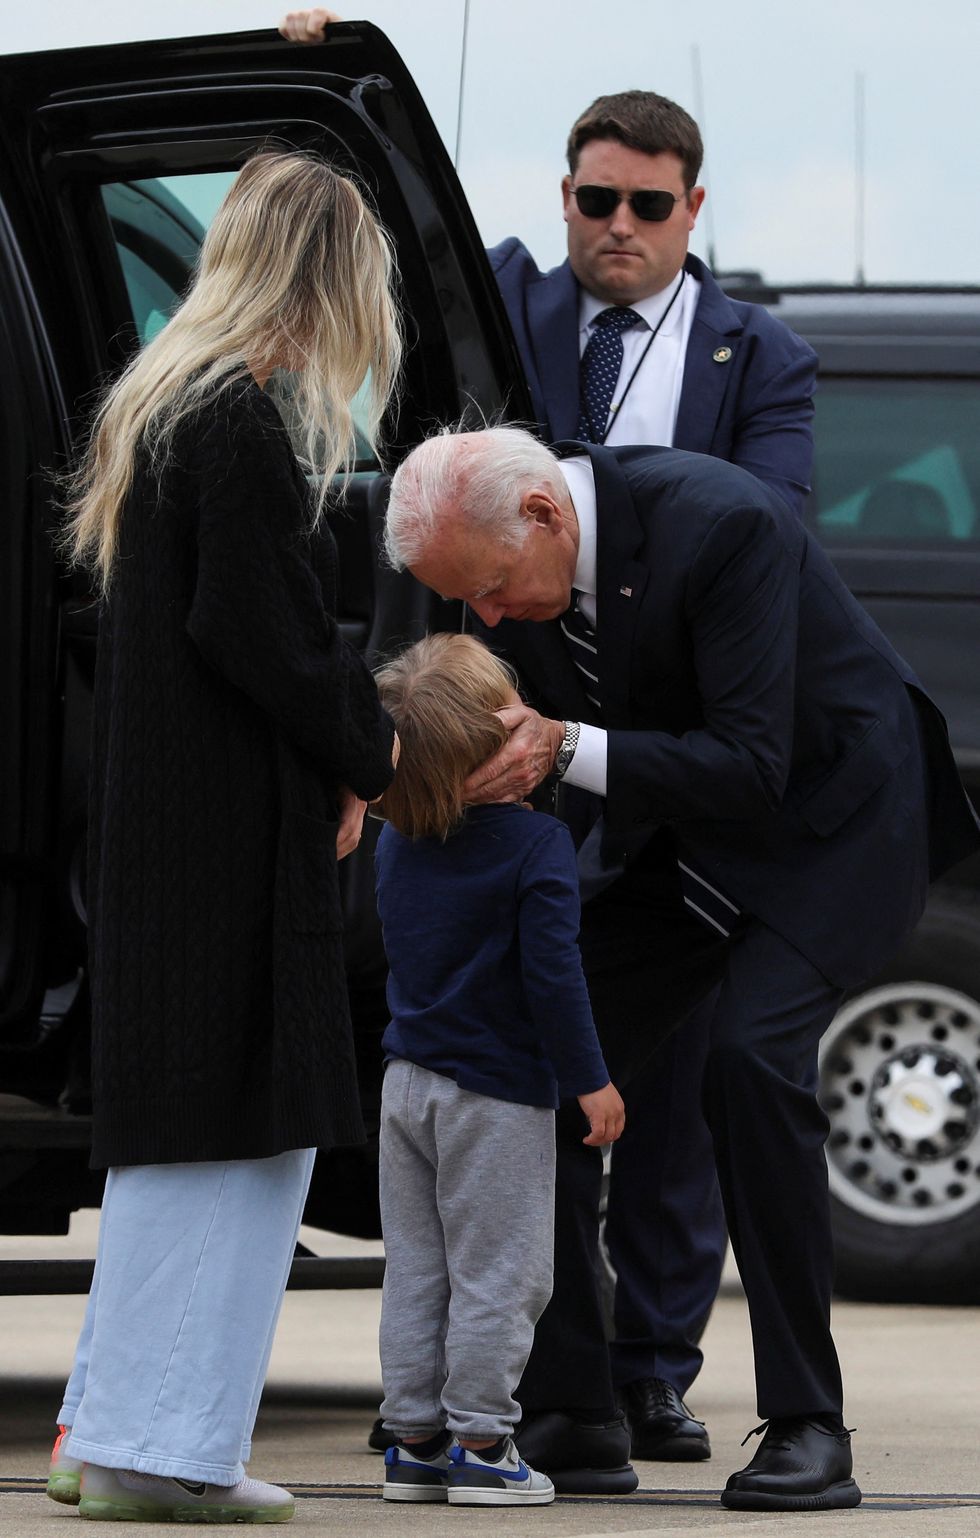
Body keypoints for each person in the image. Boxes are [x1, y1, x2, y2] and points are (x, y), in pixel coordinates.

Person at [277, 6, 820, 1474]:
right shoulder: (508, 308)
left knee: (662, 1077)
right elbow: (385, 236)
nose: (621, 226)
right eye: (597, 198)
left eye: (651, 204)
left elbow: (767, 520)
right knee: (513, 1052)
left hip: (670, 749)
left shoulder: (756, 352)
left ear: (692, 211)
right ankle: (551, 1387)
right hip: (497, 741)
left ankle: (652, 1360)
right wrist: (329, 78)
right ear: (564, 196)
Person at [381, 424, 980, 1512]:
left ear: (545, 518)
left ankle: (806, 1422)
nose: (490, 620)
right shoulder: (508, 568)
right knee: (529, 1055)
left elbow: (750, 765)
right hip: (681, 834)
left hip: (829, 827)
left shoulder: (724, 522)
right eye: (466, 602)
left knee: (748, 1061)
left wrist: (561, 744)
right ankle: (574, 1401)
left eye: (497, 590)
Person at [45, 150, 402, 1525]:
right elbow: (263, 634)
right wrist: (369, 750)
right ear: (327, 273)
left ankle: (112, 1432)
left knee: (175, 1145)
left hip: (165, 838)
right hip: (231, 848)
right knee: (243, 1143)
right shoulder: (242, 426)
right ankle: (167, 1452)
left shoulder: (162, 408)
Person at [370, 632, 625, 1506]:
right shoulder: (536, 847)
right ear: (502, 743)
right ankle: (483, 1445)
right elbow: (554, 975)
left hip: (405, 1085)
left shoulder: (395, 843)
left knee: (418, 1267)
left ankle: (412, 1441)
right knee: (504, 1273)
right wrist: (589, 1079)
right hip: (497, 1093)